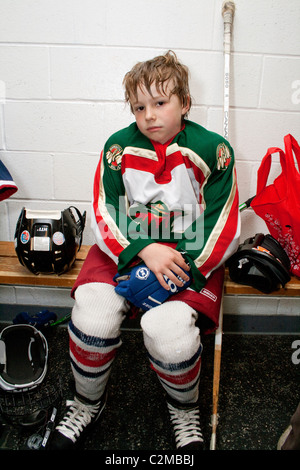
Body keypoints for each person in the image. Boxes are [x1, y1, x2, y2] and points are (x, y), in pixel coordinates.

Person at [49, 50, 240, 450]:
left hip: (188, 254)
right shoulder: (117, 147)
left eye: (160, 102)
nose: (149, 115)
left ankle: (185, 411)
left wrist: (182, 266)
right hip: (126, 245)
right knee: (92, 318)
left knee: (169, 334)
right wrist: (143, 250)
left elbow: (224, 223)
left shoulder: (214, 149)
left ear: (184, 103)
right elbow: (104, 212)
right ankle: (86, 403)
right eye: (139, 106)